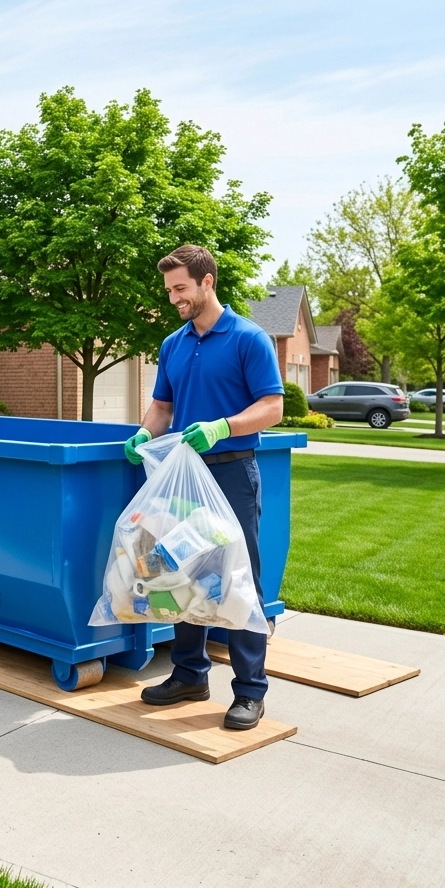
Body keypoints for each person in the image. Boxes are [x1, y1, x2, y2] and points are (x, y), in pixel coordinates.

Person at [124, 245, 283, 730]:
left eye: (181, 288)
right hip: (184, 475)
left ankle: (251, 691)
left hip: (233, 471)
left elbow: (272, 407)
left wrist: (222, 426)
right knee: (183, 573)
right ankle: (190, 674)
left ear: (207, 281)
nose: (174, 298)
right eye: (170, 290)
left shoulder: (249, 339)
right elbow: (162, 407)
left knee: (238, 579)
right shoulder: (173, 344)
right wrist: (144, 433)